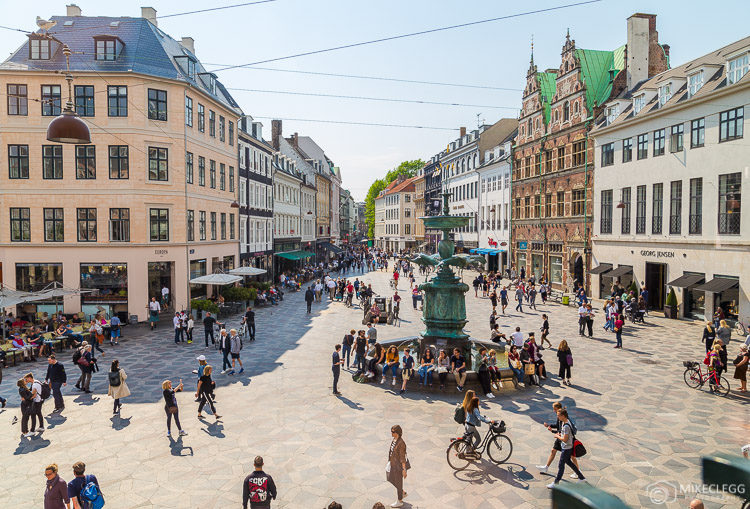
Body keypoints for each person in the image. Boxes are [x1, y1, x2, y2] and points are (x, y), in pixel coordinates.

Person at [536, 401, 580, 475]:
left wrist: (553, 432)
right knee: (553, 451)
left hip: (564, 439)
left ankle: (578, 471)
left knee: (572, 456)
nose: (554, 410)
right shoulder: (560, 416)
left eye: (554, 409)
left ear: (559, 409)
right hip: (560, 438)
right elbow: (557, 425)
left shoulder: (563, 418)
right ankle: (546, 467)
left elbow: (562, 430)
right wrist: (549, 425)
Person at [547, 408, 586, 488]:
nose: (557, 417)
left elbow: (565, 439)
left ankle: (556, 483)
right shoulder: (567, 422)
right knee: (568, 462)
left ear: (563, 416)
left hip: (567, 448)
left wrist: (558, 436)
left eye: (558, 416)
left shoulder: (566, 426)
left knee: (561, 465)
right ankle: (581, 477)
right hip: (568, 447)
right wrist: (558, 433)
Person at [387, 425, 408, 508]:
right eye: (391, 431)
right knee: (390, 478)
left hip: (398, 467)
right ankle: (402, 492)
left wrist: (404, 469)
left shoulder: (401, 443)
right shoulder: (394, 440)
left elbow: (403, 458)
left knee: (399, 483)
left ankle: (400, 500)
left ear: (397, 433)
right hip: (393, 464)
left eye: (393, 432)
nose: (391, 433)